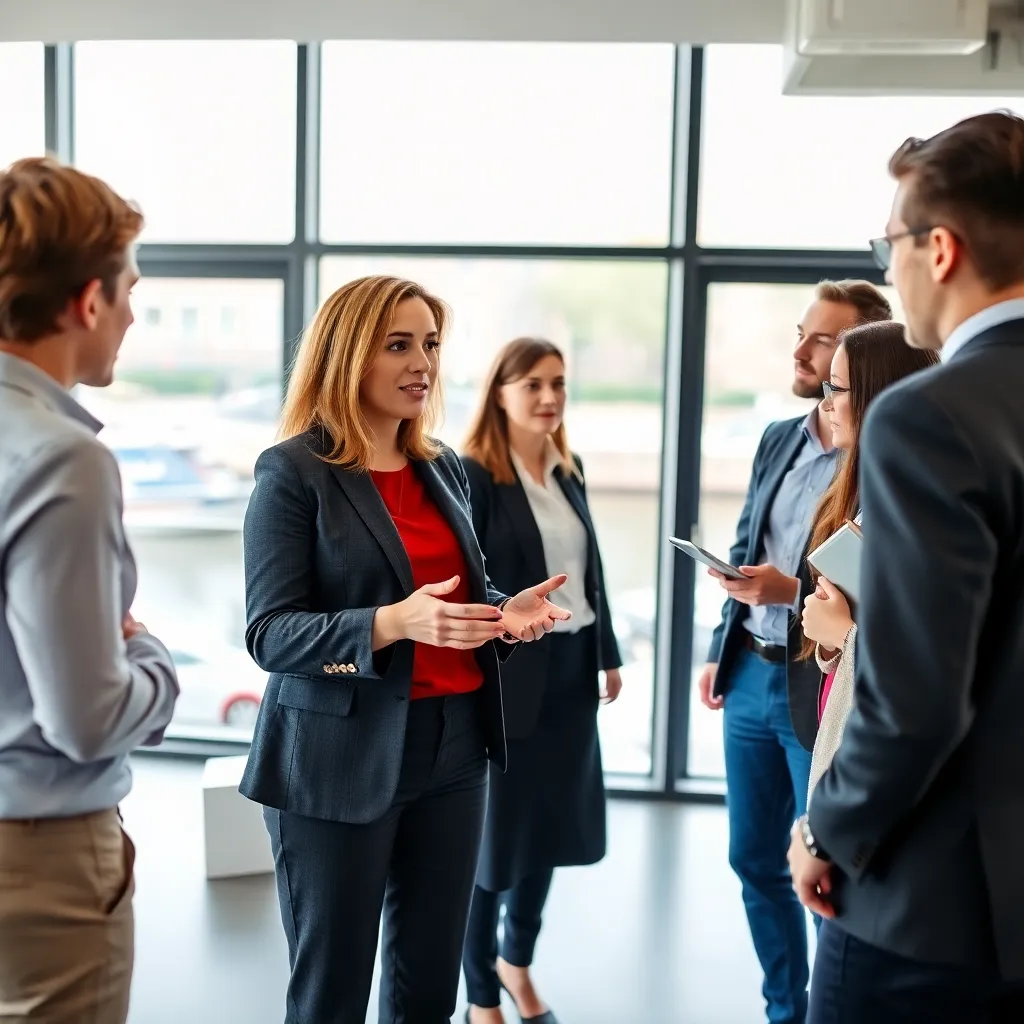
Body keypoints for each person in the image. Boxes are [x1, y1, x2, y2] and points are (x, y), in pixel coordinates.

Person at [239, 276, 573, 1024]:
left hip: (456, 751)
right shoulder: (292, 473)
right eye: (399, 345)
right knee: (331, 996)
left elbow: (451, 597)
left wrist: (502, 612)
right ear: (347, 355)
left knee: (427, 994)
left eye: (429, 344)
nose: (422, 362)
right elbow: (271, 633)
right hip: (337, 760)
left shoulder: (443, 466)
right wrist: (389, 624)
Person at [788, 111, 1024, 1024]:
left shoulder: (930, 414)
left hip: (934, 910)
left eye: (888, 243)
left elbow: (916, 699)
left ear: (941, 250)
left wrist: (826, 830)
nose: (887, 267)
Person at [0, 157, 180, 1022]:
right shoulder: (64, 459)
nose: (133, 315)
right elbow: (86, 721)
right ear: (86, 303)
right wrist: (154, 661)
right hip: (39, 865)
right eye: (129, 290)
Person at [697, 279, 893, 1024]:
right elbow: (749, 535)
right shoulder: (779, 436)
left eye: (825, 341)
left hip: (823, 678)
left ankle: (828, 1005)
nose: (803, 351)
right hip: (751, 668)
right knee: (753, 856)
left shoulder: (881, 456)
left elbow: (870, 592)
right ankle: (787, 1006)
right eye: (802, 334)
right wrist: (721, 642)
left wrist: (792, 592)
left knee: (825, 861)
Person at [460, 338, 623, 1024]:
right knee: (496, 844)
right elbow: (467, 585)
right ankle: (481, 994)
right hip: (509, 676)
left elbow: (589, 572)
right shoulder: (471, 475)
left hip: (571, 671)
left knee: (551, 831)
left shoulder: (568, 467)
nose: (549, 397)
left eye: (558, 383)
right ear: (500, 393)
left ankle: (517, 963)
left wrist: (606, 653)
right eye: (533, 384)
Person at [798, 321, 937, 801]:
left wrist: (842, 635)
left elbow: (931, 663)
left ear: (879, 396)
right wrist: (833, 636)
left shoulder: (923, 510)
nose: (826, 405)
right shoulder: (875, 493)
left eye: (836, 389)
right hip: (849, 729)